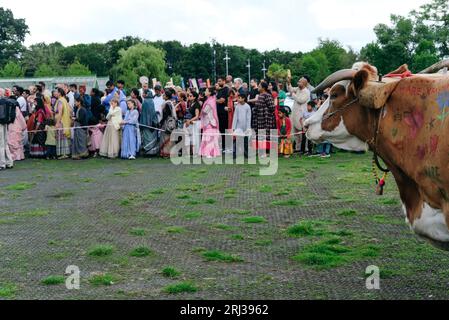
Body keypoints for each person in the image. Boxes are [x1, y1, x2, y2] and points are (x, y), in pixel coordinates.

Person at [288, 77, 310, 153]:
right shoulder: (298, 89)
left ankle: (305, 148)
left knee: (302, 132)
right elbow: (290, 89)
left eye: (299, 82)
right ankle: (297, 148)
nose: (298, 82)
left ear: (304, 83)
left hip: (301, 115)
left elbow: (300, 100)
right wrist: (288, 82)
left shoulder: (306, 92)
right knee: (296, 132)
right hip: (295, 113)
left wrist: (292, 94)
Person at [252, 81, 276, 151]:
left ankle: (268, 150)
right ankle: (262, 149)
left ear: (263, 88)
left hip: (266, 119)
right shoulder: (260, 95)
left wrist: (265, 111)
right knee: (261, 134)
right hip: (259, 119)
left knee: (267, 134)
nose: (258, 88)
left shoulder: (267, 95)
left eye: (259, 86)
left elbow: (272, 107)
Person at [199, 87, 220, 159]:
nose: (205, 92)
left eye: (206, 91)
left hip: (210, 122)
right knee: (209, 138)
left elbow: (206, 111)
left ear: (210, 93)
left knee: (209, 138)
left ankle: (209, 153)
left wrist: (201, 112)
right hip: (208, 121)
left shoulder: (211, 100)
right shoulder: (209, 99)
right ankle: (209, 153)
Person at [140, 89, 160, 156]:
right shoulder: (151, 101)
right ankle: (152, 151)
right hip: (152, 122)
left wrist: (144, 122)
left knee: (147, 137)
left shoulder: (145, 101)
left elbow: (145, 114)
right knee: (151, 137)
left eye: (143, 93)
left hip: (146, 123)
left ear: (146, 94)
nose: (142, 94)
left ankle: (148, 152)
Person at [232, 93, 252, 159]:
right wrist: (233, 127)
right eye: (238, 98)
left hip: (246, 127)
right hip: (238, 127)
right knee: (237, 140)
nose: (238, 99)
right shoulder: (237, 106)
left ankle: (246, 154)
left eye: (240, 98)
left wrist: (248, 128)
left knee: (245, 141)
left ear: (243, 99)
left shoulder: (247, 107)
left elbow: (249, 118)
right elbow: (235, 117)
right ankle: (234, 153)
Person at [54, 88, 72, 159]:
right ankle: (65, 153)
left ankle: (63, 153)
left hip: (61, 122)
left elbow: (60, 112)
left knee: (61, 137)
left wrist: (57, 123)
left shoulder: (60, 101)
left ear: (59, 93)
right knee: (64, 138)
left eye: (56, 92)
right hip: (64, 121)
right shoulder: (64, 100)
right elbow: (70, 110)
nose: (55, 93)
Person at [159, 90, 177, 158]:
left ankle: (167, 153)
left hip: (167, 123)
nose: (163, 96)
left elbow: (166, 115)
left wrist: (161, 122)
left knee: (166, 137)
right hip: (170, 122)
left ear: (166, 96)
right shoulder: (170, 103)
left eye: (164, 95)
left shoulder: (167, 104)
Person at [184, 91, 201, 156]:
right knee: (189, 138)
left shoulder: (196, 104)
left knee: (195, 138)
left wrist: (189, 121)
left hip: (195, 123)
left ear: (194, 97)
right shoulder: (190, 103)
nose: (189, 97)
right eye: (188, 96)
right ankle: (190, 152)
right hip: (190, 123)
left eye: (190, 96)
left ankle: (195, 153)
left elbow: (197, 116)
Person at [216, 77, 229, 153]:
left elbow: (222, 100)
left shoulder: (226, 89)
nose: (218, 82)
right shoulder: (219, 90)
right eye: (218, 81)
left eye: (220, 81)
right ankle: (222, 146)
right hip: (219, 113)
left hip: (224, 113)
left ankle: (226, 146)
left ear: (224, 81)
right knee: (220, 130)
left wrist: (214, 100)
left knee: (225, 130)